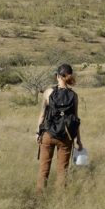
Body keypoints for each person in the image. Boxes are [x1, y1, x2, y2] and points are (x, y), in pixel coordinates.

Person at [36, 63, 83, 195]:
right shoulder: (74, 96)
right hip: (66, 138)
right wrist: (78, 140)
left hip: (48, 135)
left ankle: (40, 196)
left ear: (57, 76)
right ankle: (60, 198)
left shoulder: (48, 92)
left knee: (44, 169)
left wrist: (37, 133)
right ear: (69, 77)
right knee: (63, 170)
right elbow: (76, 120)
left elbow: (42, 115)